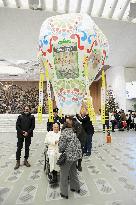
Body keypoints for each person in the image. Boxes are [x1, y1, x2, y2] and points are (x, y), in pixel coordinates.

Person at [59, 116, 82, 199]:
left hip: (68, 157)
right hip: (75, 156)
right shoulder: (74, 131)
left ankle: (64, 193)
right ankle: (76, 188)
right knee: (73, 172)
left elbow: (61, 147)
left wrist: (60, 148)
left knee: (63, 175)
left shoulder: (64, 133)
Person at [14, 105, 35, 170]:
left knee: (27, 148)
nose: (26, 110)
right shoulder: (20, 116)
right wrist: (22, 132)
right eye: (25, 109)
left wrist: (27, 132)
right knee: (19, 148)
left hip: (28, 135)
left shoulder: (32, 117)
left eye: (27, 109)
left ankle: (25, 160)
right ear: (23, 110)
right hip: (20, 135)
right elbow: (17, 126)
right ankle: (18, 161)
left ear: (29, 110)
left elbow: (33, 126)